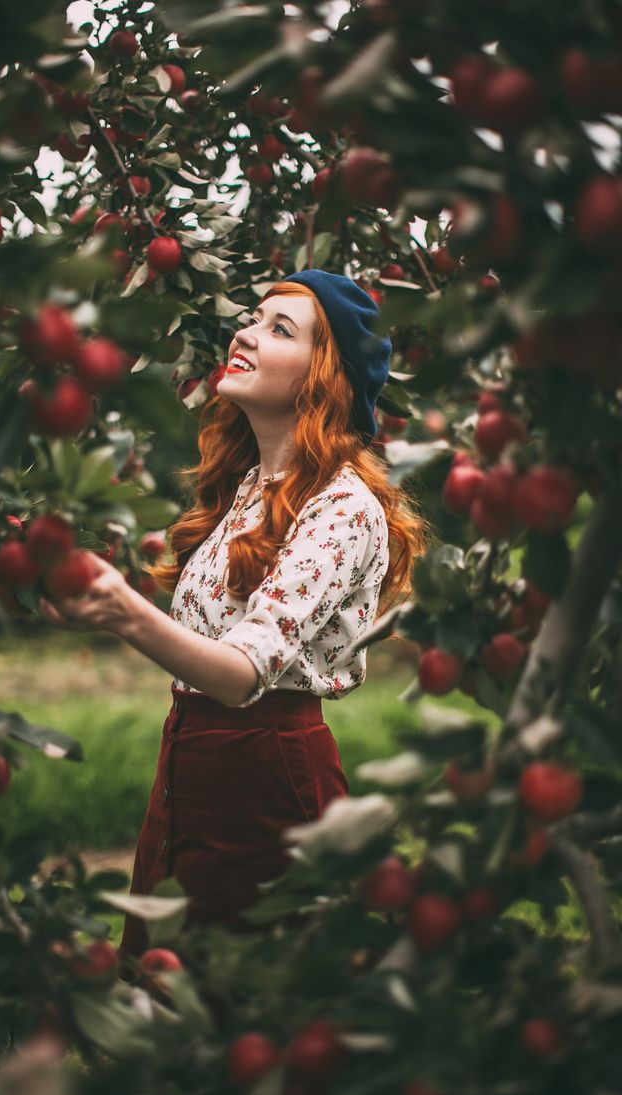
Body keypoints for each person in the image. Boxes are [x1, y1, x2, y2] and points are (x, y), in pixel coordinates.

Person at [39, 269, 425, 959]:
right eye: (254, 316)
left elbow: (244, 673)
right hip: (194, 765)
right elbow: (204, 646)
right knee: (171, 996)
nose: (245, 333)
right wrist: (97, 609)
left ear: (322, 377)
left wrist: (125, 612)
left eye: (281, 329)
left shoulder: (343, 509)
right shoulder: (250, 488)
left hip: (267, 783)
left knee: (246, 1005)